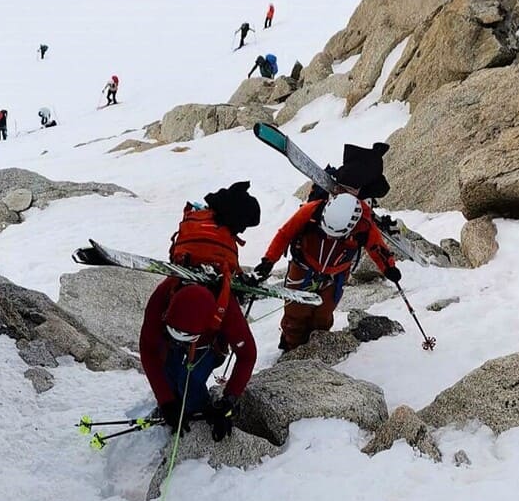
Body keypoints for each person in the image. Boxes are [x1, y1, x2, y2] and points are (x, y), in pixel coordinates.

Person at [139, 182, 262, 440]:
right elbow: (149, 351)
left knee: (188, 381)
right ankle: (182, 398)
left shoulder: (224, 308)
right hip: (192, 341)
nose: (179, 340)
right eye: (174, 333)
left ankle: (194, 401)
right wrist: (166, 402)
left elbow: (247, 355)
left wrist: (229, 401)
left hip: (208, 345)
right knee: (171, 373)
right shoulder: (162, 296)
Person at [254, 192, 400, 351]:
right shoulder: (312, 211)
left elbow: (377, 248)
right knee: (295, 314)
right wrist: (268, 261)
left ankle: (314, 349)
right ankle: (291, 347)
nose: (330, 237)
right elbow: (285, 234)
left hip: (336, 275)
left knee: (322, 317)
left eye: (336, 235)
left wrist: (389, 268)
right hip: (303, 265)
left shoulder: (363, 226)